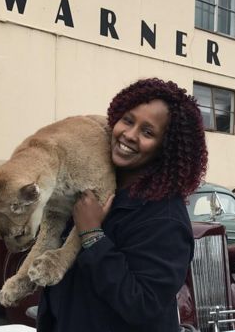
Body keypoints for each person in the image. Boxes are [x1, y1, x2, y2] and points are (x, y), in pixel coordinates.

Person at [36, 77, 208, 332]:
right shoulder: (93, 190)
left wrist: (93, 235)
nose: (129, 135)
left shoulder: (164, 219)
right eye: (127, 120)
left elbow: (144, 305)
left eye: (147, 132)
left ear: (166, 148)